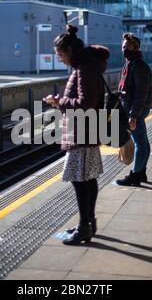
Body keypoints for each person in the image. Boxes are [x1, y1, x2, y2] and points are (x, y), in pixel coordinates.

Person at [43, 25, 107, 245]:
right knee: (88, 179)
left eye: (60, 54)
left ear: (69, 51)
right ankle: (88, 222)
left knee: (80, 181)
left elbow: (84, 103)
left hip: (81, 133)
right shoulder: (86, 67)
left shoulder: (83, 70)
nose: (59, 59)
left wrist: (59, 101)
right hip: (86, 131)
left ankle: (84, 227)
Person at [116, 33, 152, 187]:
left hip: (135, 110)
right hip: (132, 109)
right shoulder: (130, 63)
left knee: (140, 143)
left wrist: (133, 115)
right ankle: (141, 172)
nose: (123, 50)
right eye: (123, 47)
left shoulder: (139, 66)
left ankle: (135, 175)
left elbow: (141, 94)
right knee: (142, 142)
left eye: (126, 47)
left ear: (135, 47)